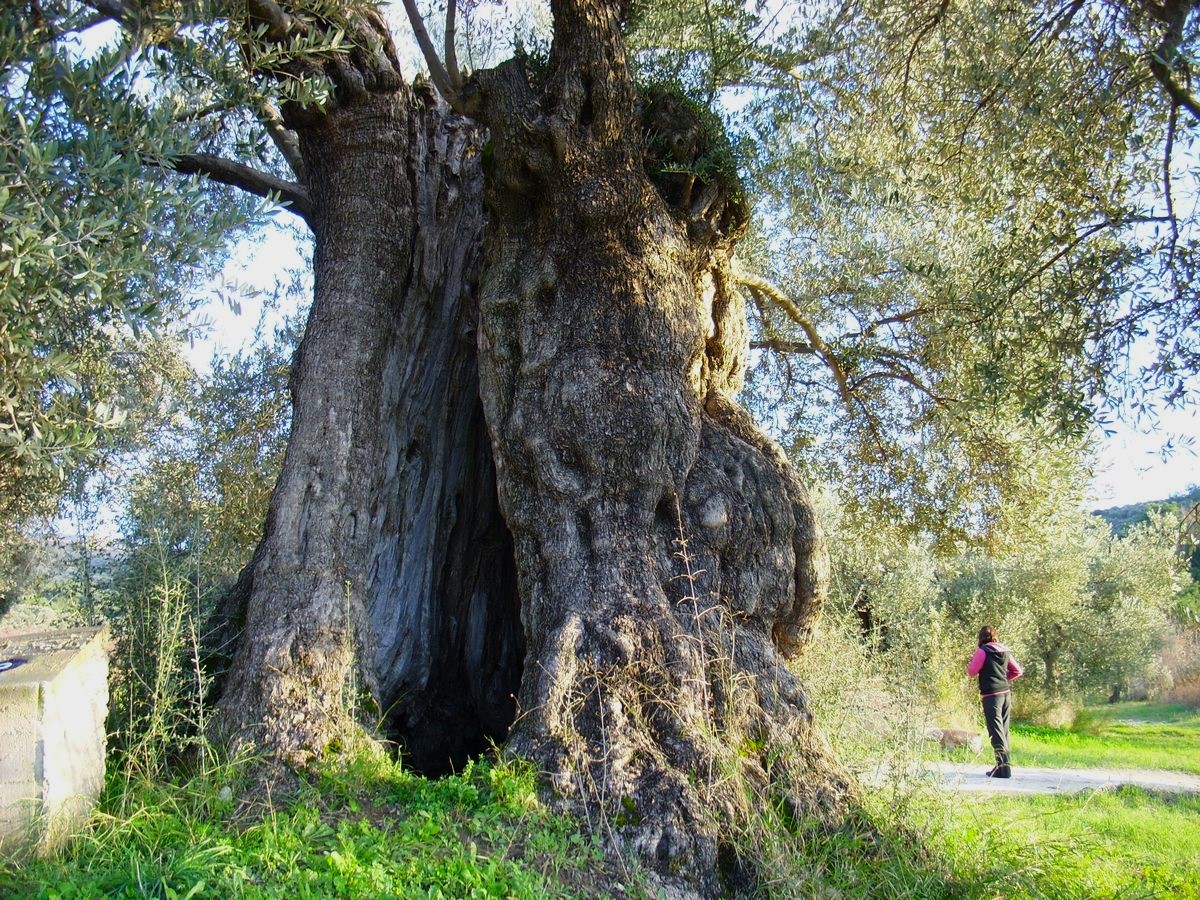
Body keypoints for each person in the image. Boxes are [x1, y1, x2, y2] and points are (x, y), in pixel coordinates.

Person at [966, 625, 1023, 778]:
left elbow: (971, 672)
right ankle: (1004, 767)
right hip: (1006, 694)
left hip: (991, 696)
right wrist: (1003, 679)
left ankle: (1003, 769)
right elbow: (1017, 671)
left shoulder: (983, 651)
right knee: (1003, 731)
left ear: (981, 638)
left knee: (995, 731)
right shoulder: (1005, 650)